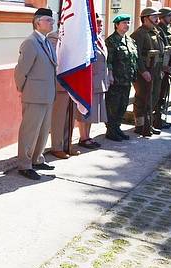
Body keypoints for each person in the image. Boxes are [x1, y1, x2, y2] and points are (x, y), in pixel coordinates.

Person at [14, 8, 57, 181]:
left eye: (52, 21)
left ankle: (37, 159)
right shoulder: (30, 43)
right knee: (30, 131)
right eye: (48, 20)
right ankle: (25, 164)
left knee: (43, 130)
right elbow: (21, 71)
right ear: (37, 22)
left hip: (47, 94)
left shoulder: (46, 41)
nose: (52, 23)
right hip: (34, 94)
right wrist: (24, 89)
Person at [74, 13, 108, 147]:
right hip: (90, 81)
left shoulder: (99, 40)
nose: (99, 27)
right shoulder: (87, 40)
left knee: (92, 112)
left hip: (99, 81)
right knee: (85, 110)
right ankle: (83, 137)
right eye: (97, 24)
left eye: (101, 25)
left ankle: (88, 136)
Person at [130, 7, 164, 137]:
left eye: (157, 16)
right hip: (144, 72)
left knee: (153, 97)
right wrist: (143, 71)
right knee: (143, 99)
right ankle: (140, 125)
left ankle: (148, 124)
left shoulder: (156, 32)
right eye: (154, 16)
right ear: (145, 19)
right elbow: (136, 55)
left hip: (155, 70)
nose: (157, 19)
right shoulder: (139, 34)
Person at [47, 31, 80, 159]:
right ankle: (57, 147)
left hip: (73, 84)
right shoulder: (54, 37)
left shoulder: (76, 37)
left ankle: (67, 145)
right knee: (59, 119)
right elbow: (56, 58)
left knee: (70, 117)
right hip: (60, 84)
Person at [105, 14, 138, 141]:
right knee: (113, 105)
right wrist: (110, 75)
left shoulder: (129, 41)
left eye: (128, 23)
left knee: (123, 105)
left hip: (127, 79)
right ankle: (111, 130)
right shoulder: (111, 41)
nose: (126, 25)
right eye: (124, 23)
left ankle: (117, 128)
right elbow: (109, 61)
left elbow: (134, 59)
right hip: (116, 80)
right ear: (117, 25)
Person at [154, 7, 171, 129]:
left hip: (168, 68)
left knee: (163, 94)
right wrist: (164, 67)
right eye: (170, 16)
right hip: (162, 69)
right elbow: (162, 51)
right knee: (159, 94)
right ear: (162, 17)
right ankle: (156, 120)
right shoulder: (159, 31)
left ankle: (159, 118)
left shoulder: (167, 31)